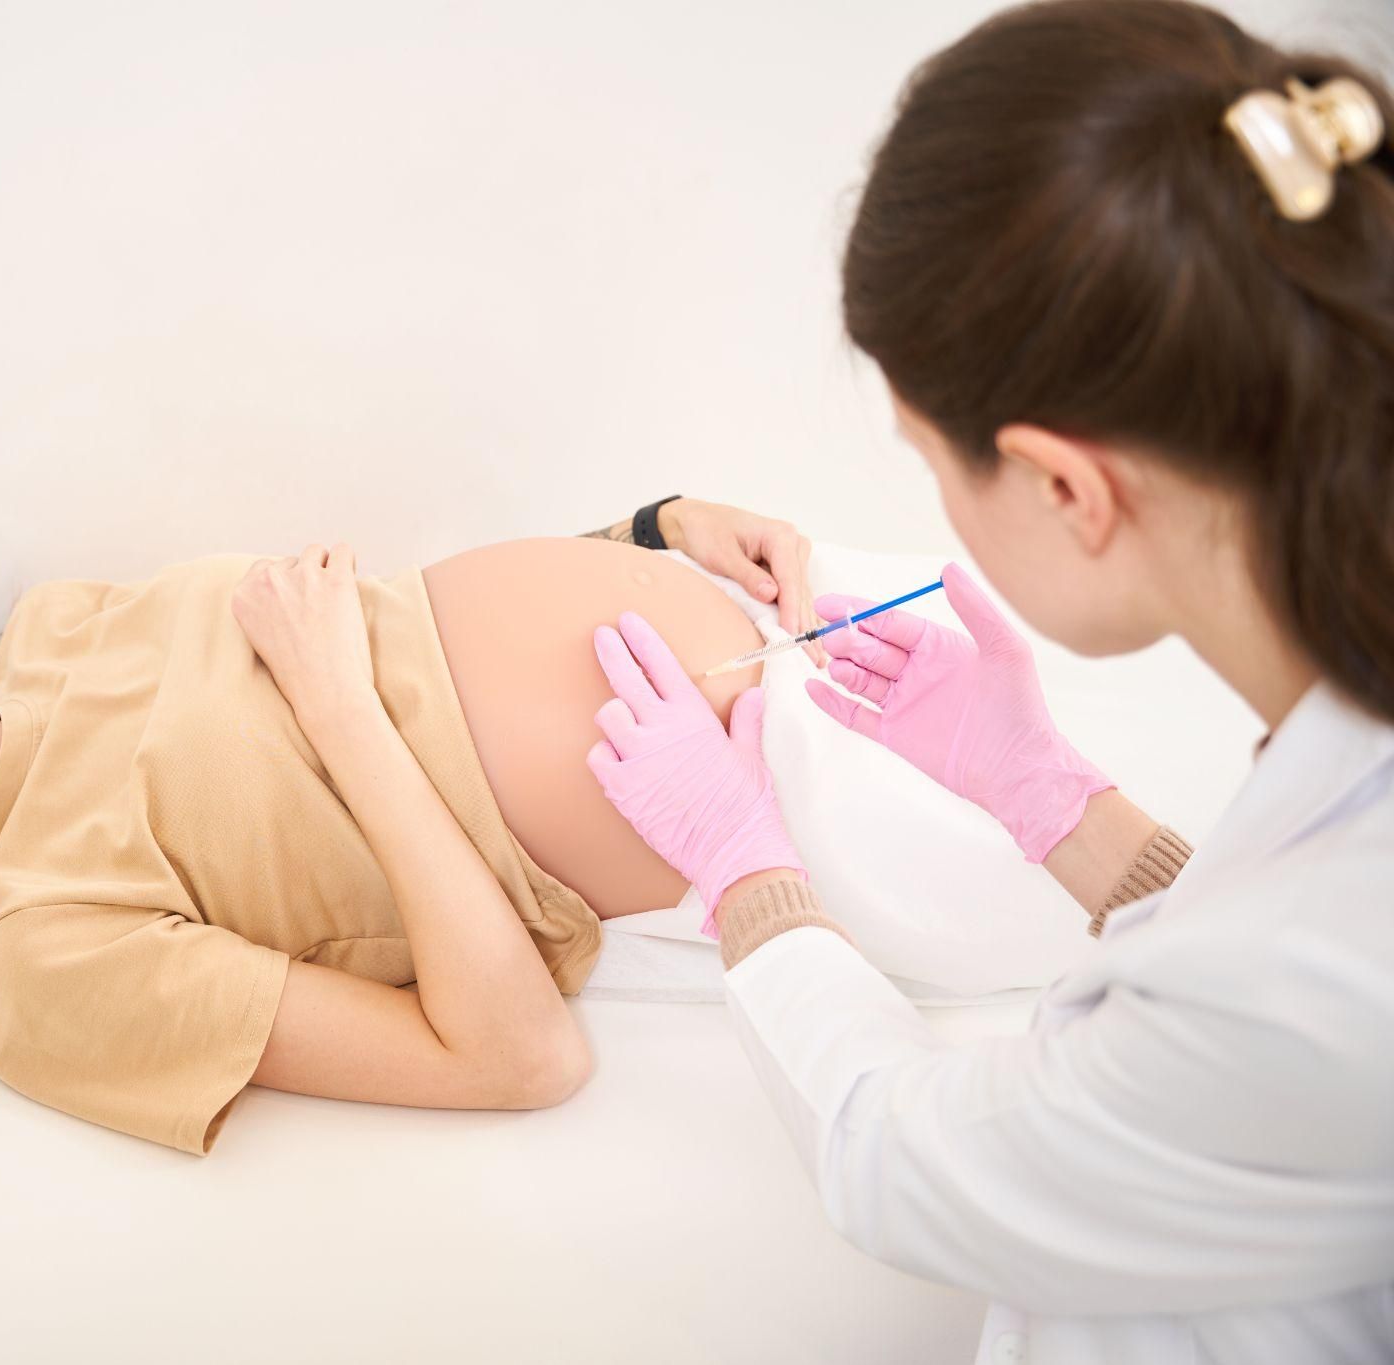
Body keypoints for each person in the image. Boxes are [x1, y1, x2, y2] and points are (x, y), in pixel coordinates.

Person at [585, 3, 1393, 1360]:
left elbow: (906, 1154)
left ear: (1066, 483)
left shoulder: (1314, 986)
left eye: (933, 462)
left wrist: (744, 867)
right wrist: (1051, 796)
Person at [0, 498, 827, 1154]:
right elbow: (518, 1058)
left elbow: (398, 623)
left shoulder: (52, 627)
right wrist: (338, 709)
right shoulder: (22, 970)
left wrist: (648, 524)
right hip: (773, 831)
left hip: (799, 606)